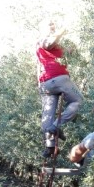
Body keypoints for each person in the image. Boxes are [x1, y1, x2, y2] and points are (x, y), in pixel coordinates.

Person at [37, 20, 83, 157]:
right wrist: (61, 31)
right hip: (58, 78)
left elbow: (64, 52)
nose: (52, 28)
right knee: (78, 100)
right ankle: (56, 126)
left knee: (47, 114)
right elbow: (49, 42)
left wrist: (70, 50)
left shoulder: (44, 46)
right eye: (50, 26)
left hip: (45, 83)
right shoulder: (45, 40)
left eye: (53, 26)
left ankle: (49, 146)